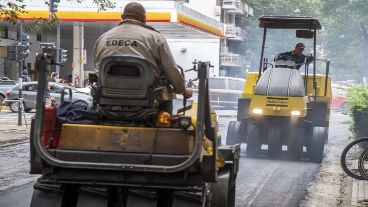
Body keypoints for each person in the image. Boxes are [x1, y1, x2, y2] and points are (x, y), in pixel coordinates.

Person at [93, 2, 192, 113]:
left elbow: (97, 70)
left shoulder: (102, 39)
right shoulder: (155, 38)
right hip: (149, 102)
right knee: (165, 94)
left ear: (122, 17)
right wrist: (182, 90)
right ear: (144, 18)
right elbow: (171, 70)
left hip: (108, 100)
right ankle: (163, 126)